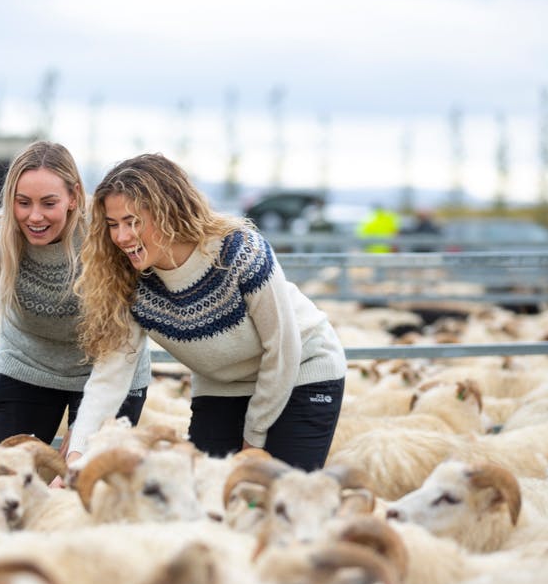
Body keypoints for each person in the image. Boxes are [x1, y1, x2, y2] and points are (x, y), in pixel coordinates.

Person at [68, 153, 346, 471]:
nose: (121, 237)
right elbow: (109, 377)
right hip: (223, 384)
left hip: (301, 370)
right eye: (113, 225)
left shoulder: (238, 251)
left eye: (133, 222)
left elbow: (282, 349)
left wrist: (252, 442)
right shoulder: (126, 281)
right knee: (206, 493)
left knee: (280, 494)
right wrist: (77, 457)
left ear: (167, 211)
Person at [0, 141, 152, 448]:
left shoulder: (105, 234)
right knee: (8, 478)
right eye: (23, 202)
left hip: (108, 370)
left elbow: (126, 329)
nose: (35, 217)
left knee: (82, 482)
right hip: (26, 367)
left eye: (48, 203)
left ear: (73, 197)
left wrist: (82, 438)